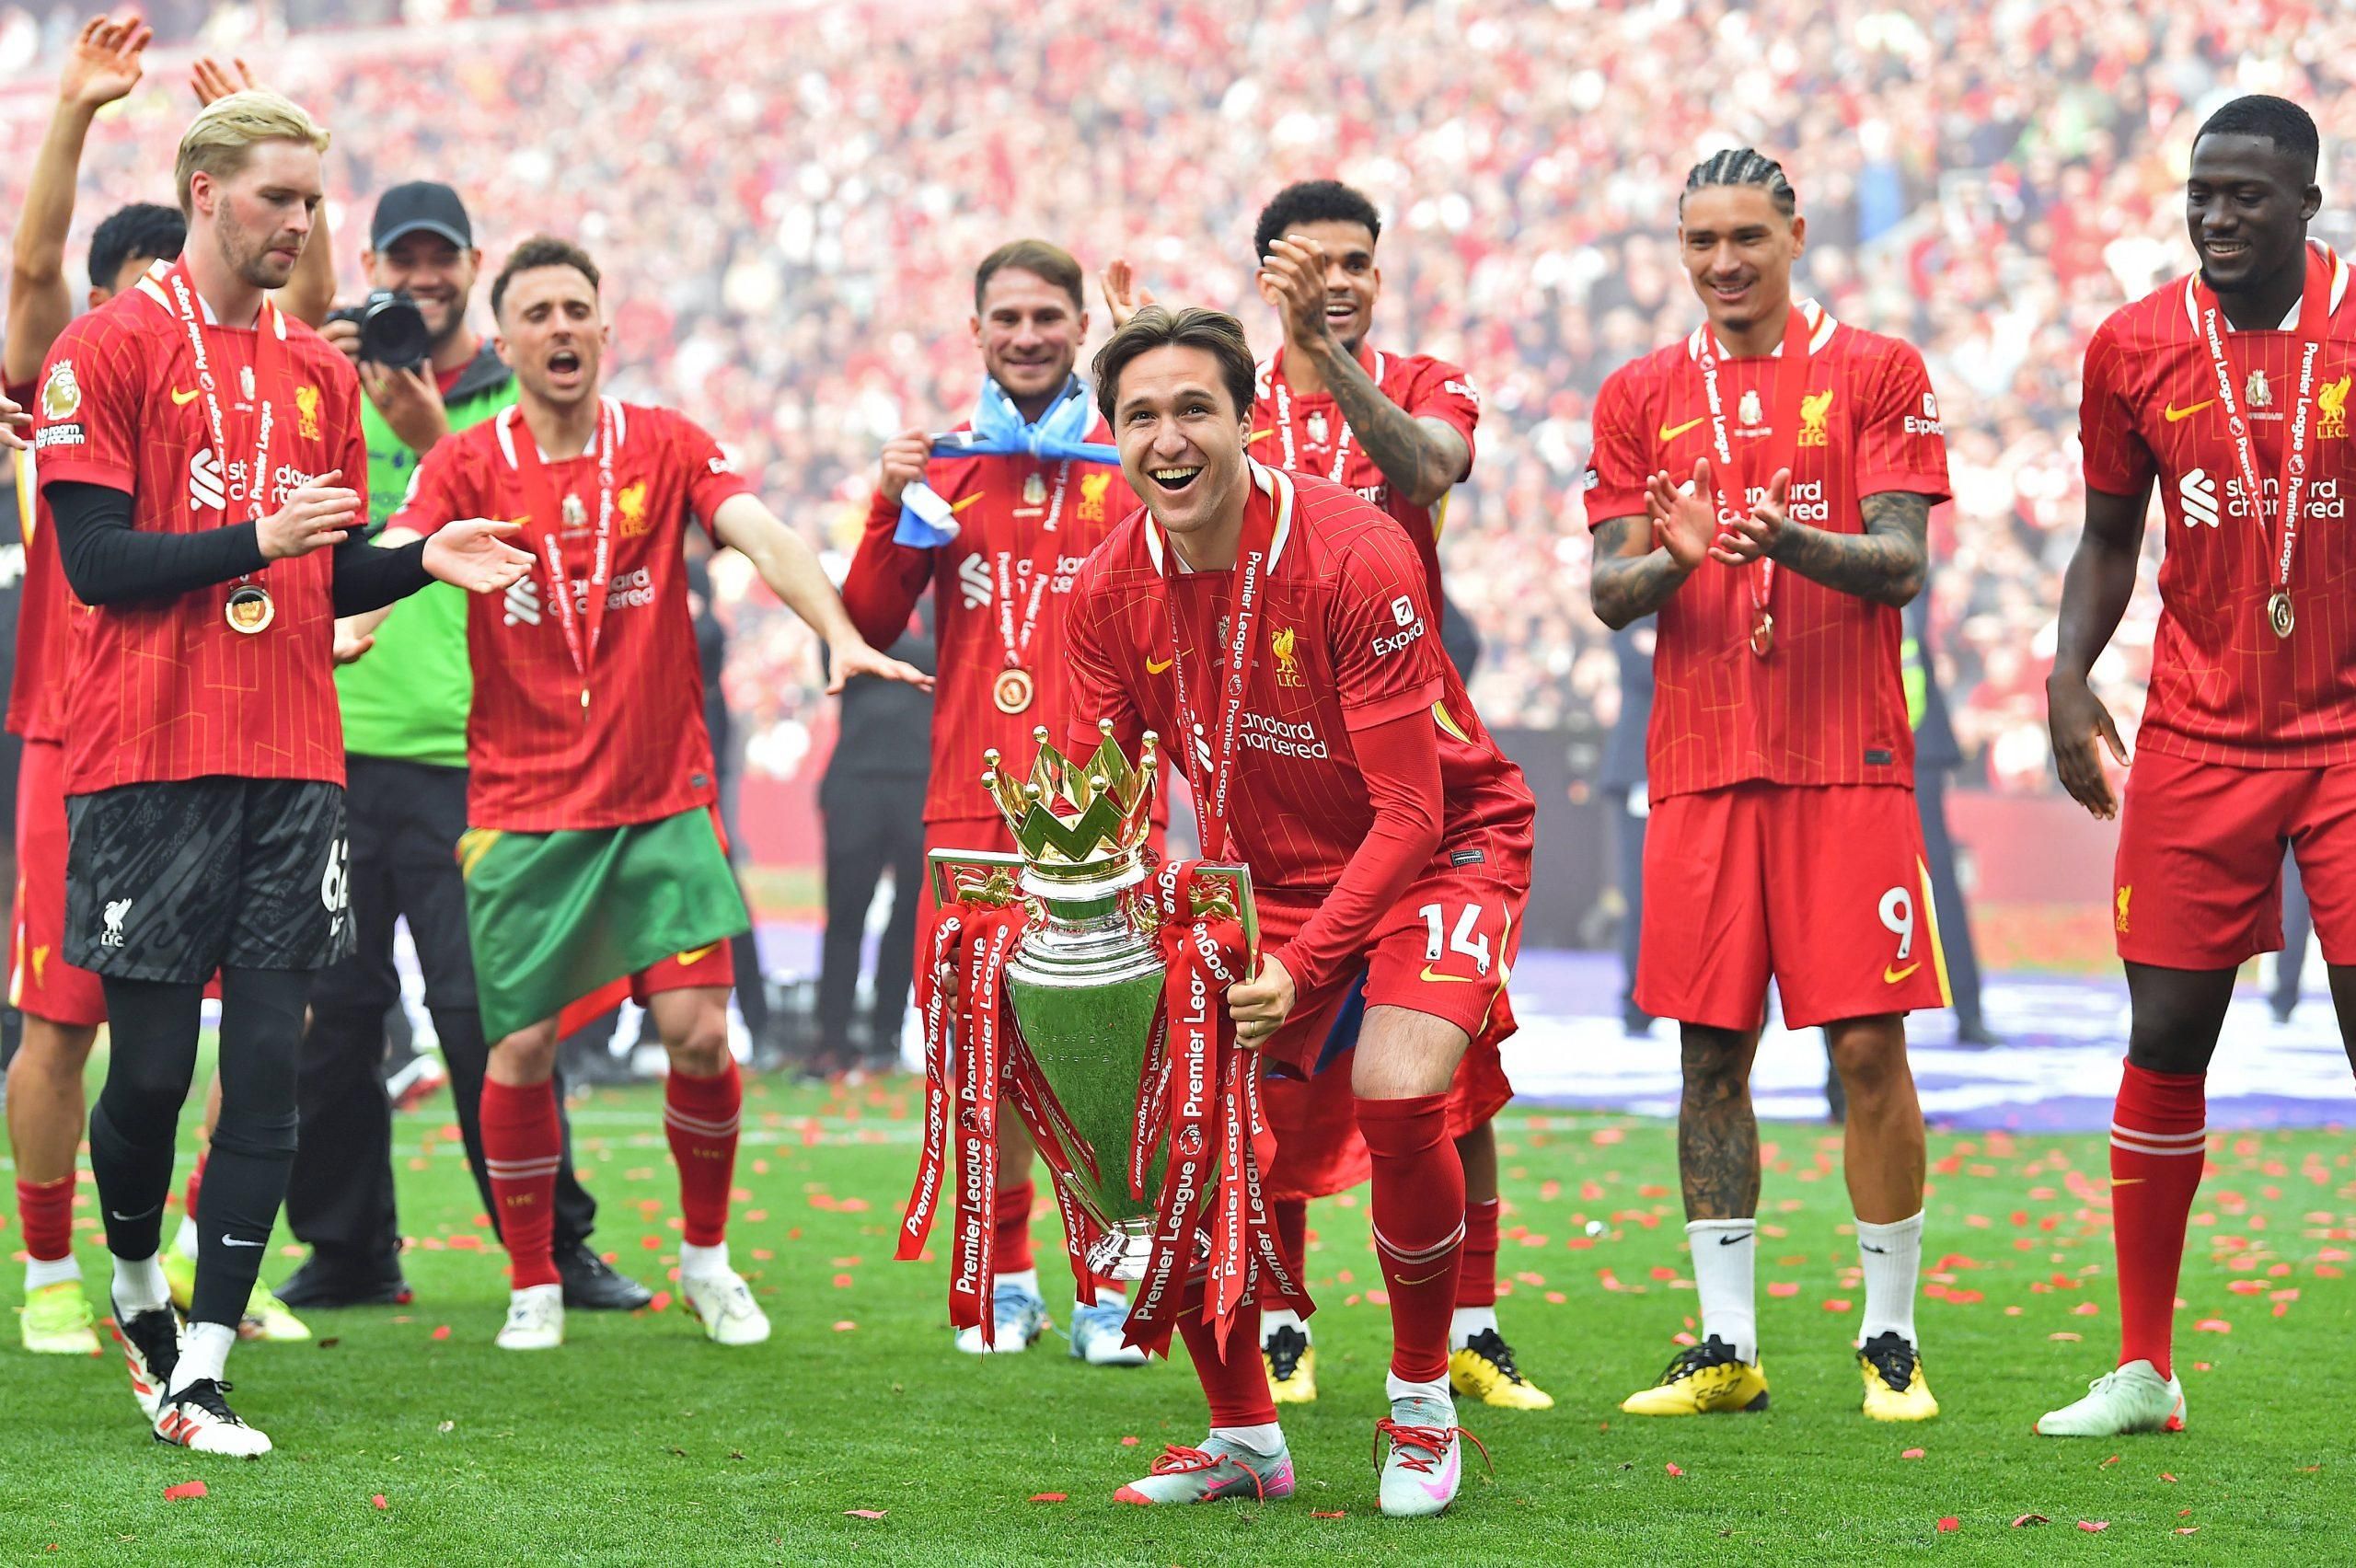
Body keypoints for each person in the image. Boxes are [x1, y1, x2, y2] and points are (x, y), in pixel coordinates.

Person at [32, 88, 530, 1454]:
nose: (300, 225)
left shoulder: (320, 371)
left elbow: (321, 562)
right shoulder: (110, 346)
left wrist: (419, 558)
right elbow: (96, 565)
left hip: (296, 761)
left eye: (312, 202)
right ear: (203, 193)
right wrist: (259, 537)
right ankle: (134, 1275)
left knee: (270, 1064)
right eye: (277, 199)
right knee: (142, 1081)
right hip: (145, 763)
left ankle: (198, 1366)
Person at [372, 236, 925, 1353]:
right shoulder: (471, 461)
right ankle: (533, 1278)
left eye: (579, 309)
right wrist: (354, 614)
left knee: (700, 1034)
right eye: (539, 314)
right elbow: (400, 541)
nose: (562, 328)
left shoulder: (663, 444)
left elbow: (757, 530)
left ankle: (707, 1259)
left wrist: (837, 630)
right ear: (507, 338)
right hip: (524, 809)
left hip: (659, 798)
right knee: (517, 1052)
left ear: (604, 331)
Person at [1068, 305, 1534, 1516]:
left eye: (1193, 410)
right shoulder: (1106, 590)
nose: (1168, 439)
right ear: (1109, 437)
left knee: (1398, 1086)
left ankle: (1425, 1404)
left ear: (1247, 417)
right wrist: (1078, 943)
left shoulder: (1355, 551)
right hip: (1251, 883)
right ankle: (1244, 1440)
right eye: (1140, 416)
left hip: (1439, 847)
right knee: (1174, 1134)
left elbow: (1411, 813)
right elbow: (1101, 808)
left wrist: (1309, 964)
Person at [1587, 149, 1951, 1424]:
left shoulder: (1878, 372)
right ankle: (1727, 1347)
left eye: (1747, 234)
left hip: (1846, 763)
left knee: (1866, 1047)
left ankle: (1890, 1338)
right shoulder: (1636, 394)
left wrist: (1782, 537)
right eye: (1701, 241)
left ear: (1796, 232)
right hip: (1700, 770)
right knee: (1708, 1058)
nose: (1724, 261)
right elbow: (1608, 593)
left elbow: (1902, 563)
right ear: (1679, 250)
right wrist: (1682, 561)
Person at [2038, 95, 2356, 1438]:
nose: (2218, 218)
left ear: (2308, 204)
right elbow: (2112, 537)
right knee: (2166, 1035)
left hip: (2348, 739)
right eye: (2201, 194)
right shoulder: (2135, 345)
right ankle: (2146, 1368)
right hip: (2197, 735)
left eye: (2248, 197)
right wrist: (2067, 672)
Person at [4, 19, 321, 1355]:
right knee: (76, 1028)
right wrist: (76, 111)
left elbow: (303, 328)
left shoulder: (273, 365)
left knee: (251, 1039)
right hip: (79, 727)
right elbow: (30, 275)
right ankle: (50, 1272)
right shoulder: (83, 355)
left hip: (245, 725)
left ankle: (198, 1268)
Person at [286, 181, 647, 1314]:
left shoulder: (517, 396)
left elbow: (551, 548)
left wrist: (427, 434)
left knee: (488, 1011)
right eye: (406, 261)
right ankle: (348, 1249)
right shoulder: (322, 388)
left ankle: (554, 1247)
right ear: (379, 269)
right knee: (333, 1019)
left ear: (471, 272)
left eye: (444, 261)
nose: (425, 280)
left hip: (468, 756)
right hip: (331, 752)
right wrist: (333, 365)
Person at [841, 239, 1151, 1365]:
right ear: (975, 333)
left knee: (1111, 1053)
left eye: (1046, 317)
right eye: (1005, 318)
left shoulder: (1130, 462)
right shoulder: (945, 470)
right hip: (972, 807)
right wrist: (885, 504)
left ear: (1080, 330)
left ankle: (1106, 1289)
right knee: (988, 1054)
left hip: (1108, 813)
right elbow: (870, 622)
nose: (1026, 335)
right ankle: (1011, 1277)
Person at [815, 598, 932, 1075]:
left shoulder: (948, 590)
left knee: (909, 917)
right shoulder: (852, 597)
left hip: (922, 781)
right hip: (855, 784)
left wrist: (879, 653)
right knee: (845, 915)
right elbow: (833, 647)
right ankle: (832, 1037)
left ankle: (886, 1034)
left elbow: (956, 658)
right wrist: (917, 656)